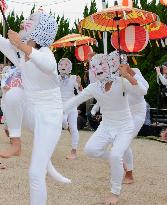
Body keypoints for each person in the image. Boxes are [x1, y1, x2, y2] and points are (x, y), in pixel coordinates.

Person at [0, 10, 71, 205]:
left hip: (49, 118)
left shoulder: (46, 53)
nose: (24, 22)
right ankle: (16, 143)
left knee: (35, 173)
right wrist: (18, 45)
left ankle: (45, 164)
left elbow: (47, 66)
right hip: (31, 112)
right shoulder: (20, 53)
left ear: (39, 31)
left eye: (30, 21)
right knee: (12, 93)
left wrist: (19, 44)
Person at [64, 51, 147, 205]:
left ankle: (115, 192)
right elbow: (76, 100)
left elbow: (143, 91)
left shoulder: (121, 82)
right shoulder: (94, 87)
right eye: (94, 66)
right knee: (90, 150)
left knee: (116, 155)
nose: (98, 68)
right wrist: (59, 111)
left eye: (101, 64)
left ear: (110, 65)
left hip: (125, 126)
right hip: (106, 125)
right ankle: (117, 160)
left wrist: (128, 75)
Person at [58, 58, 82, 159]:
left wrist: (79, 84)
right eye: (61, 64)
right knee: (63, 120)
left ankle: (74, 151)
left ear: (70, 67)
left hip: (72, 104)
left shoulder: (73, 78)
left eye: (66, 64)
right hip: (61, 105)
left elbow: (81, 92)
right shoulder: (56, 77)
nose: (63, 66)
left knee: (74, 128)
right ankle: (67, 127)